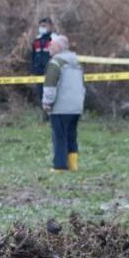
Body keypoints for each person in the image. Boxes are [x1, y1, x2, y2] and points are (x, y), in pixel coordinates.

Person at [42, 34, 85, 172]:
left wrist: (47, 102)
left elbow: (50, 85)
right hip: (76, 106)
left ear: (58, 47)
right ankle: (73, 165)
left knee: (59, 137)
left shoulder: (55, 63)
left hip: (61, 107)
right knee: (71, 135)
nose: (49, 47)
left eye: (52, 44)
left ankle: (59, 166)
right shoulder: (77, 63)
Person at [30, 16, 54, 103]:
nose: (42, 28)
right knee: (41, 93)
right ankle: (45, 113)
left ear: (50, 26)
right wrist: (32, 71)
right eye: (41, 26)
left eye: (45, 26)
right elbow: (33, 56)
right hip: (39, 70)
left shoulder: (55, 39)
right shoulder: (37, 40)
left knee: (51, 93)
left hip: (51, 71)